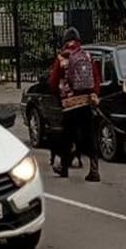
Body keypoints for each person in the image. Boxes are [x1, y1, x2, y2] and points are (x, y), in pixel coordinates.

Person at [48, 27, 102, 182]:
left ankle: (64, 168)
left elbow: (52, 83)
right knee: (89, 134)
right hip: (86, 101)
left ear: (65, 41)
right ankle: (94, 169)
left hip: (69, 104)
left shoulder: (62, 58)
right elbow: (96, 77)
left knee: (67, 136)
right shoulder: (87, 55)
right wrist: (94, 93)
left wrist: (59, 91)